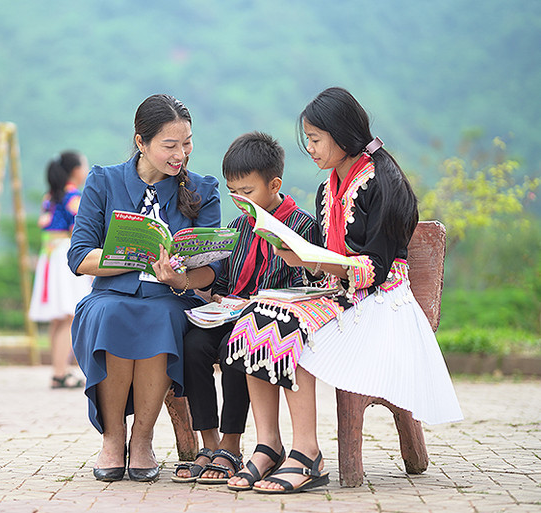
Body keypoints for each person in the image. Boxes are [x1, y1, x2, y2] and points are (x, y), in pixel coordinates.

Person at [224, 87, 463, 494]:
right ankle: (268, 445)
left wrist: (317, 262)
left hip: (383, 305)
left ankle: (307, 455)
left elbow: (375, 269)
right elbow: (328, 263)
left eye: (315, 140)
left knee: (286, 326)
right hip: (342, 299)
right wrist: (300, 256)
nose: (311, 149)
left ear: (341, 135)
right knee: (256, 313)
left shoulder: (384, 184)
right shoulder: (327, 189)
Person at [68, 94, 222, 482]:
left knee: (161, 316)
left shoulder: (203, 188)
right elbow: (79, 257)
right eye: (170, 145)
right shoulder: (103, 181)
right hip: (110, 295)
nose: (180, 155)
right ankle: (113, 437)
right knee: (111, 314)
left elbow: (213, 271)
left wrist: (182, 278)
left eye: (186, 143)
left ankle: (142, 439)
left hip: (170, 297)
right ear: (141, 142)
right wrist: (129, 257)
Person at [173, 132, 320, 484]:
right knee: (193, 345)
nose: (239, 200)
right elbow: (223, 285)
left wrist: (255, 303)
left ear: (274, 184)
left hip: (271, 323)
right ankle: (209, 443)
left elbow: (310, 288)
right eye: (232, 192)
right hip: (231, 314)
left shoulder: (301, 227)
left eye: (247, 192)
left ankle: (232, 442)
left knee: (235, 348)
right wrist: (210, 292)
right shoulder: (238, 227)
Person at [29, 151, 93, 388]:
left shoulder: (51, 196)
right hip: (66, 253)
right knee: (69, 315)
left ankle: (58, 371)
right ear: (76, 170)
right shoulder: (72, 195)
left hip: (51, 254)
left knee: (60, 318)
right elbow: (81, 226)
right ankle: (59, 372)